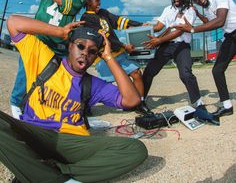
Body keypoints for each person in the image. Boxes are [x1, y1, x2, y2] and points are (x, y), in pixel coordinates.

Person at [0, 15, 148, 183]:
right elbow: (13, 22)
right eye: (80, 46)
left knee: (135, 149)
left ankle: (50, 174)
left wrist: (108, 57)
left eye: (92, 51)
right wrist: (60, 31)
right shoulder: (43, 59)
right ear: (70, 46)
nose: (85, 53)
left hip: (71, 142)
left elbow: (132, 100)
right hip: (35, 133)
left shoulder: (92, 84)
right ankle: (57, 178)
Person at [10, 0, 89, 119]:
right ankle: (16, 103)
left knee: (60, 77)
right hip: (39, 38)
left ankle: (54, 105)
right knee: (26, 70)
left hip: (59, 44)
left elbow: (62, 3)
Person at [80, 0, 152, 115]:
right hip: (104, 57)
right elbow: (102, 37)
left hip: (119, 53)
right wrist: (124, 45)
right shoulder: (86, 19)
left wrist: (139, 24)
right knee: (102, 85)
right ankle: (84, 105)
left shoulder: (103, 13)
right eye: (97, 0)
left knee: (136, 73)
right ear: (88, 2)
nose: (99, 3)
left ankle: (139, 103)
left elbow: (120, 21)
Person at [142, 0, 205, 110]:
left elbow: (180, 31)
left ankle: (199, 104)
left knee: (186, 74)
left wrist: (159, 40)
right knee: (149, 72)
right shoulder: (168, 9)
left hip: (182, 46)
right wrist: (149, 26)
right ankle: (140, 100)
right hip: (166, 45)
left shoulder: (190, 10)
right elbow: (159, 26)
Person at [175, 0, 236, 117]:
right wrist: (198, 14)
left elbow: (220, 21)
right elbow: (209, 22)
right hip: (231, 37)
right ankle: (227, 106)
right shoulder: (207, 9)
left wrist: (192, 29)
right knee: (217, 71)